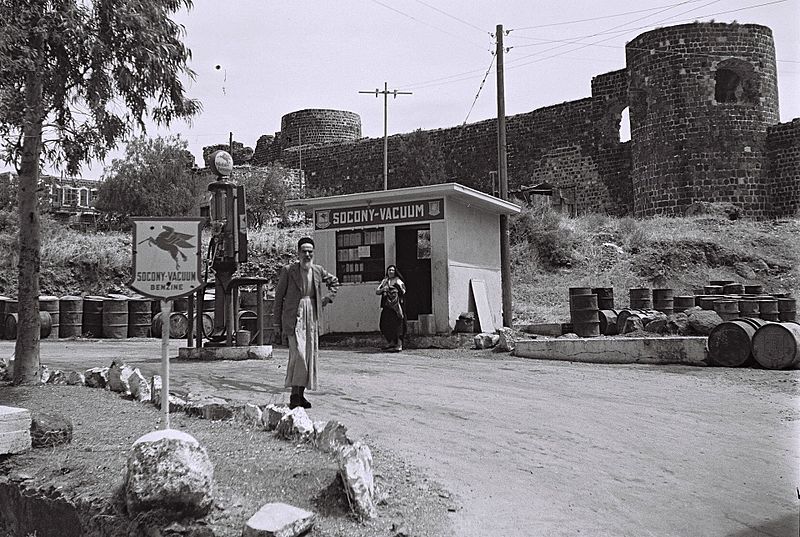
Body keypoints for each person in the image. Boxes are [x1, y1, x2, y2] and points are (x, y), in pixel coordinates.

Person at [273, 237, 339, 409]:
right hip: (294, 317)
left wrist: (327, 298)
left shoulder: (317, 270)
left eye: (310, 251)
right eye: (304, 251)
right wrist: (276, 323)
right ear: (298, 253)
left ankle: (300, 395)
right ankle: (294, 395)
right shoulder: (289, 271)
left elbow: (335, 282)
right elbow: (279, 298)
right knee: (299, 356)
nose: (307, 254)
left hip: (312, 316)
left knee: (309, 356)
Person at [376, 264, 407, 352]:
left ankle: (399, 344)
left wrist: (394, 290)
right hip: (387, 306)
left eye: (393, 270)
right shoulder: (385, 281)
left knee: (398, 325)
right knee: (386, 324)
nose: (391, 272)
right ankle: (391, 342)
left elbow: (404, 291)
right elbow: (377, 291)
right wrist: (383, 289)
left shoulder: (398, 281)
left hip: (396, 306)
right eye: (389, 270)